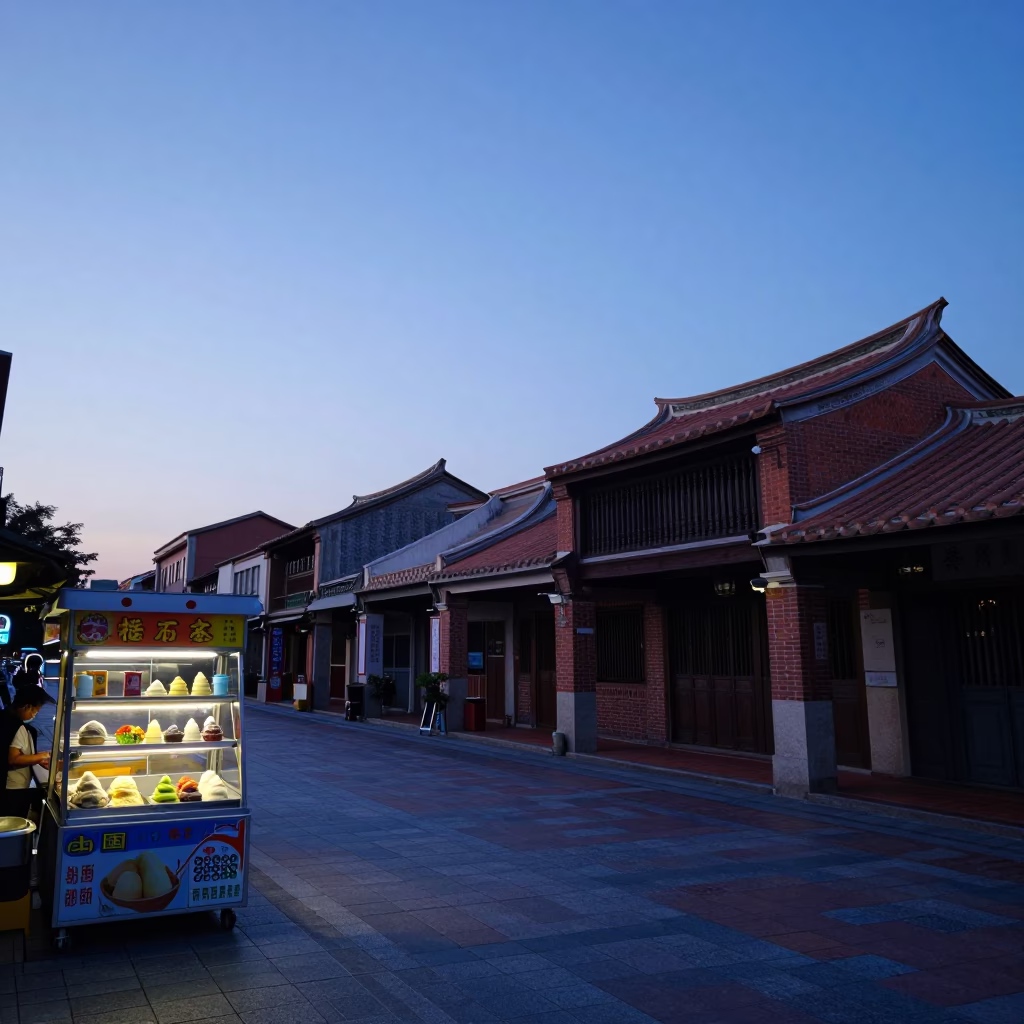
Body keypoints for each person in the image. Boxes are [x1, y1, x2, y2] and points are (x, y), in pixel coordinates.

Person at [1, 684, 55, 819]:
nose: (34, 715)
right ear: (27, 706)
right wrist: (44, 755)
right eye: (35, 711)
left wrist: (38, 759)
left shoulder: (4, 717)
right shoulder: (17, 727)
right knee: (13, 823)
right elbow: (13, 759)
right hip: (12, 790)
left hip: (9, 789)